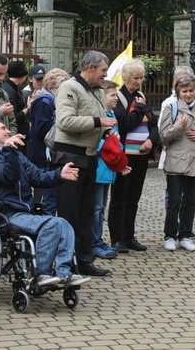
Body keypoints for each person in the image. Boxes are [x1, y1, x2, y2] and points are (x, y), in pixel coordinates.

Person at [0, 119, 90, 286]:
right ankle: (40, 275)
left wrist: (59, 174)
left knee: (64, 223)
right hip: (8, 214)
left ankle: (64, 273)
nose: (8, 131)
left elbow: (38, 177)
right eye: (3, 128)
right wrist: (9, 150)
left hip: (27, 212)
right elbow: (9, 177)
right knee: (52, 225)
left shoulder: (16, 155)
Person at [52, 51, 117, 277]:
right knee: (69, 213)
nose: (105, 75)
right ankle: (66, 263)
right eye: (102, 71)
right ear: (90, 68)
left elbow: (99, 119)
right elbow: (65, 121)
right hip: (69, 156)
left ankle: (85, 259)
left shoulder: (97, 90)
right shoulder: (69, 88)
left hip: (89, 157)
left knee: (87, 212)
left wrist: (107, 131)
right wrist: (99, 122)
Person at [160, 75, 195, 252]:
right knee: (175, 200)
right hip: (176, 162)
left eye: (191, 90)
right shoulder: (172, 107)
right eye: (184, 91)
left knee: (190, 200)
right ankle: (170, 235)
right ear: (178, 91)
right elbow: (163, 136)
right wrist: (179, 126)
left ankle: (185, 234)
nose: (188, 94)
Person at [109, 59, 157, 253]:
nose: (139, 81)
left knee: (133, 198)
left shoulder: (141, 96)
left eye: (141, 77)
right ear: (126, 78)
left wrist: (151, 141)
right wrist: (139, 108)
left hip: (141, 155)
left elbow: (154, 123)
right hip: (124, 156)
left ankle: (129, 236)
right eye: (136, 78)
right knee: (120, 197)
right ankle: (116, 238)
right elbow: (124, 123)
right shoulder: (119, 99)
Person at [93, 81, 130, 259]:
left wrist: (121, 164)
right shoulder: (100, 117)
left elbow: (117, 145)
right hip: (99, 169)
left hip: (108, 170)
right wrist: (110, 143)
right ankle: (94, 241)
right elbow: (96, 143)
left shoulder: (112, 115)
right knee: (96, 207)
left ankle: (98, 239)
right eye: (112, 95)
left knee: (101, 207)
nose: (116, 98)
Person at [29, 67, 68, 214]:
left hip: (50, 157)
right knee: (49, 200)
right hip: (45, 158)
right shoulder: (45, 101)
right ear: (51, 87)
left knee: (52, 198)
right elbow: (41, 130)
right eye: (62, 87)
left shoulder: (51, 100)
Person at [1, 61, 31, 143]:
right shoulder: (10, 91)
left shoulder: (14, 88)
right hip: (15, 134)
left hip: (19, 132)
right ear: (22, 75)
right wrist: (27, 108)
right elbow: (14, 116)